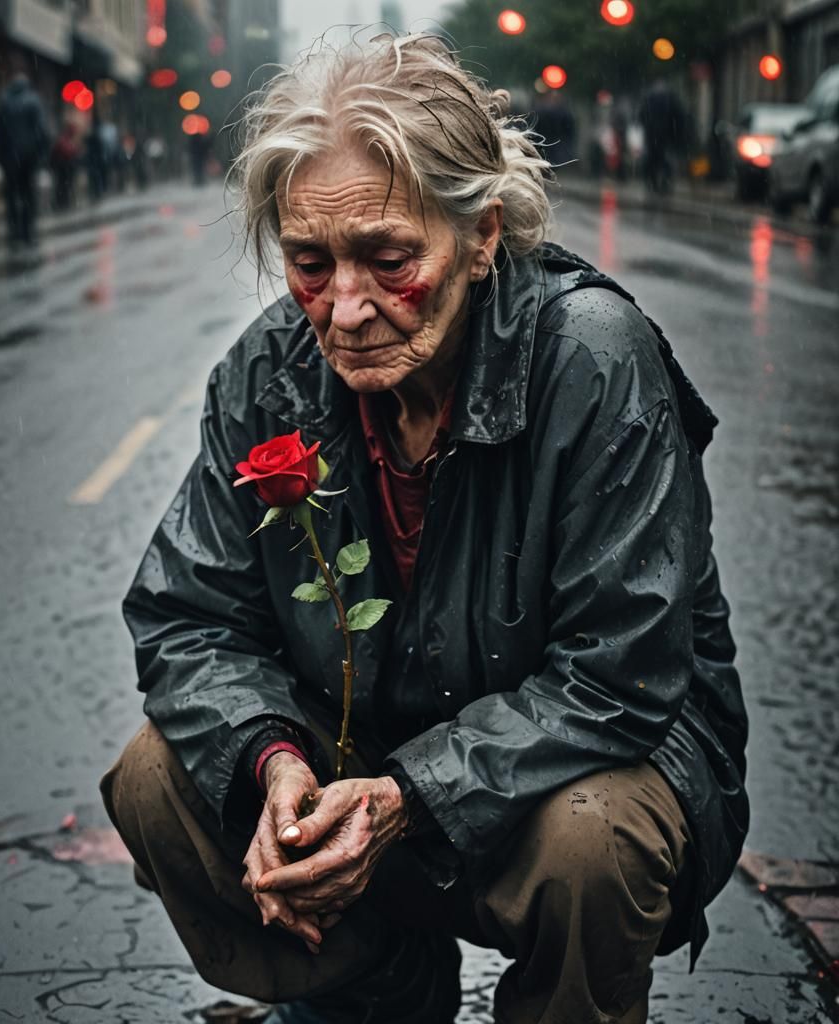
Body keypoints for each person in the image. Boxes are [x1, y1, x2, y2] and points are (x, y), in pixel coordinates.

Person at [102, 35, 748, 1024]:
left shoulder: (589, 358)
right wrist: (275, 764)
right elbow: (188, 616)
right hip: (369, 766)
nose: (346, 307)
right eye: (310, 263)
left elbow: (620, 673)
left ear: (483, 233)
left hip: (566, 778)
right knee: (159, 775)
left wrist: (403, 797)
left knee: (592, 837)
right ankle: (370, 981)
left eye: (388, 258)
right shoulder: (270, 369)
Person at [0, 72, 49, 246]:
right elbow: (41, 130)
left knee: (11, 195)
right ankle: (28, 232)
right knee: (28, 195)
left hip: (9, 158)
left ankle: (14, 233)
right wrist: (42, 152)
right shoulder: (33, 101)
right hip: (28, 157)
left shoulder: (4, 101)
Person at [639, 80, 686, 195]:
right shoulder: (670, 99)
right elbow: (679, 118)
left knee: (654, 161)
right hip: (665, 137)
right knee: (664, 161)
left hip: (655, 137)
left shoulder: (650, 100)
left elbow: (641, 116)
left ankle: (654, 183)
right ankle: (663, 184)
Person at [50, 120, 81, 211]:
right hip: (63, 167)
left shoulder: (66, 140)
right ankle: (61, 202)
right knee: (63, 185)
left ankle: (62, 202)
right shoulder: (65, 141)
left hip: (65, 167)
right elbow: (68, 152)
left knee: (64, 185)